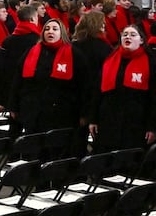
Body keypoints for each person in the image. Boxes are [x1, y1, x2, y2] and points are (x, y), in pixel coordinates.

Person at [9, 17, 93, 149]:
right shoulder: (31, 52)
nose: (50, 31)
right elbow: (18, 81)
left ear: (62, 33)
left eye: (55, 29)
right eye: (47, 29)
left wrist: (85, 113)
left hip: (62, 114)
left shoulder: (74, 55)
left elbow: (84, 86)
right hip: (34, 111)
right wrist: (13, 106)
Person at [91, 25, 156, 153]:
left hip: (136, 123)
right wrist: (93, 119)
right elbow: (97, 91)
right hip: (109, 120)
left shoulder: (152, 62)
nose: (128, 37)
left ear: (141, 40)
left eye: (132, 34)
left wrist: (153, 127)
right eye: (125, 34)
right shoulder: (110, 59)